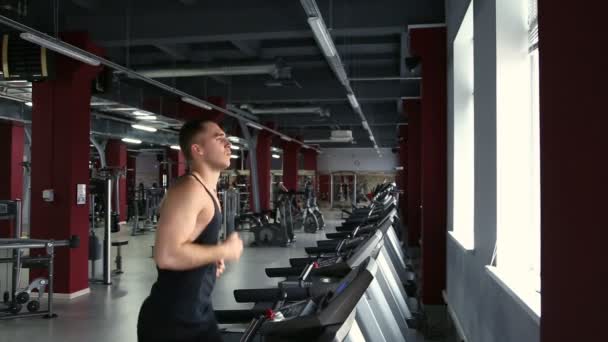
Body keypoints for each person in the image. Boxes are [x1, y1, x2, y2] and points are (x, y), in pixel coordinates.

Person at [138, 119, 244, 342]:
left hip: (196, 314)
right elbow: (166, 256)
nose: (228, 144)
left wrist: (208, 259)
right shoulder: (190, 189)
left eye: (227, 138)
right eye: (219, 138)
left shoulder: (207, 190)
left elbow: (189, 242)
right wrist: (222, 251)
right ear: (198, 150)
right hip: (173, 323)